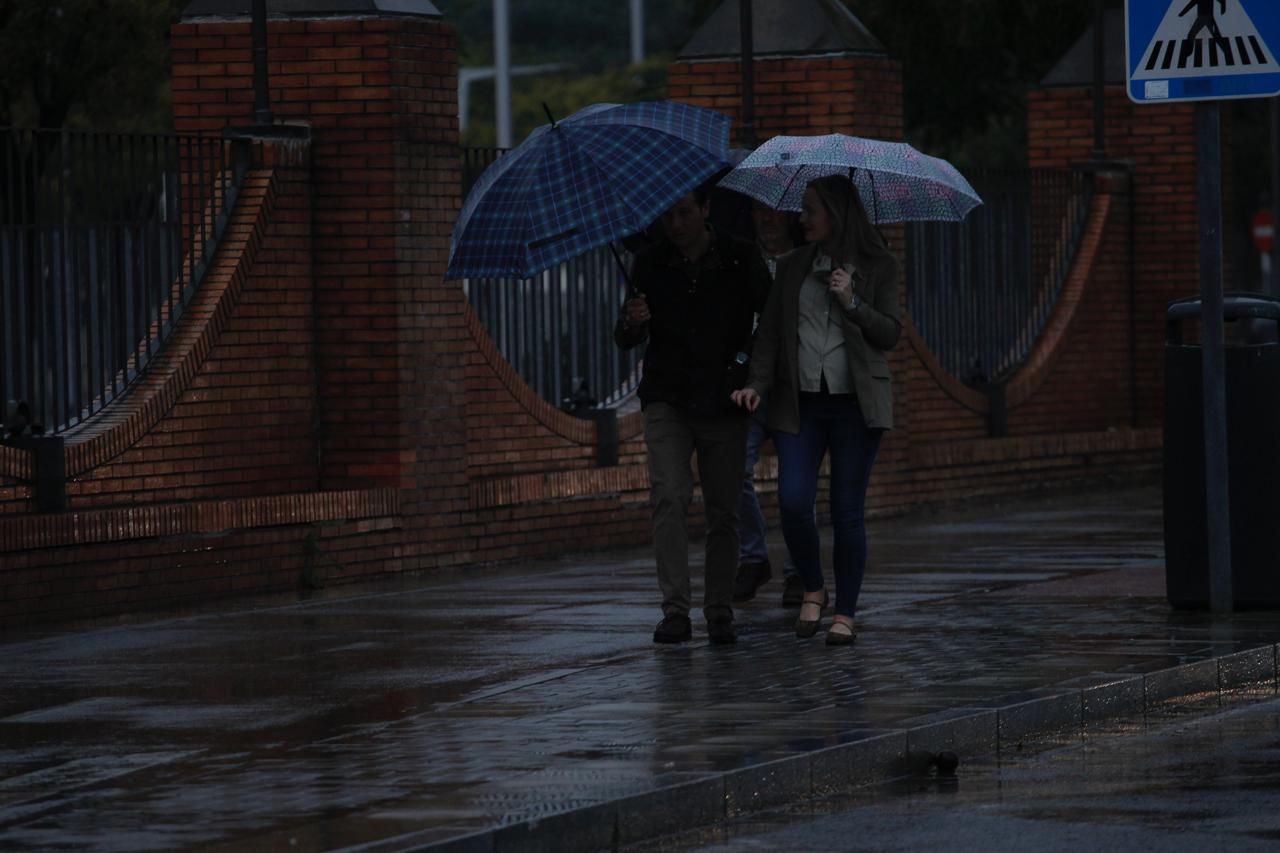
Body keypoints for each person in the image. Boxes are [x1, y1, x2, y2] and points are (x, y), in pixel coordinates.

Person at [731, 174, 901, 646]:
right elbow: (768, 338)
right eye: (802, 209)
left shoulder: (879, 265)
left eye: (810, 210)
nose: (800, 219)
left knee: (847, 512)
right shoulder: (791, 267)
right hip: (800, 406)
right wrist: (755, 385)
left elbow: (890, 333)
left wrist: (852, 301)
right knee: (792, 501)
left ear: (836, 214)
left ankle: (845, 612)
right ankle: (812, 586)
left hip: (854, 408)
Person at [616, 183, 772, 645]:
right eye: (668, 216)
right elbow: (623, 338)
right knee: (669, 494)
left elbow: (770, 324)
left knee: (724, 507)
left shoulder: (741, 259)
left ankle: (719, 608)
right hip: (667, 396)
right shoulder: (649, 262)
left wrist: (746, 371)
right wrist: (633, 321)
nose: (676, 225)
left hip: (723, 399)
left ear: (706, 209)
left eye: (685, 213)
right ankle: (675, 611)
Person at [733, 200, 806, 607]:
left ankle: (799, 570)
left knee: (796, 484)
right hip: (753, 385)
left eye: (775, 210)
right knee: (734, 471)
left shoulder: (806, 262)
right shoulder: (744, 262)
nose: (765, 218)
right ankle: (754, 557)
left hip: (795, 386)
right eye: (758, 210)